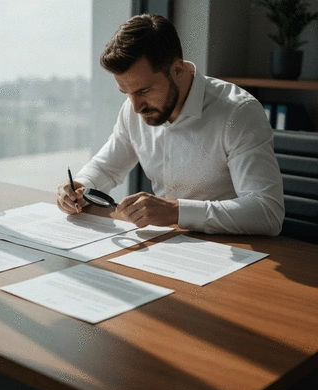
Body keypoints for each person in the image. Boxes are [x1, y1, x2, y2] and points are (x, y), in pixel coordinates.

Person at [57, 13, 285, 235]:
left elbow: (267, 212)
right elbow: (105, 168)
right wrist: (79, 186)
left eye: (144, 91)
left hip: (232, 250)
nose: (136, 107)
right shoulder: (133, 110)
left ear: (178, 69)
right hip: (166, 245)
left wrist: (176, 211)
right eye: (126, 93)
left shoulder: (238, 113)